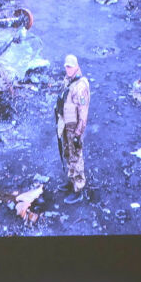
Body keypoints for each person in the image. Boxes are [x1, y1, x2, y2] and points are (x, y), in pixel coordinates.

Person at [54, 54, 91, 204]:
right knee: (68, 154)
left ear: (76, 67)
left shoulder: (80, 86)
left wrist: (78, 133)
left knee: (76, 156)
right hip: (65, 125)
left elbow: (83, 113)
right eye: (66, 67)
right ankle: (71, 180)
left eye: (70, 67)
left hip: (74, 128)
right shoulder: (68, 81)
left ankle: (79, 188)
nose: (68, 69)